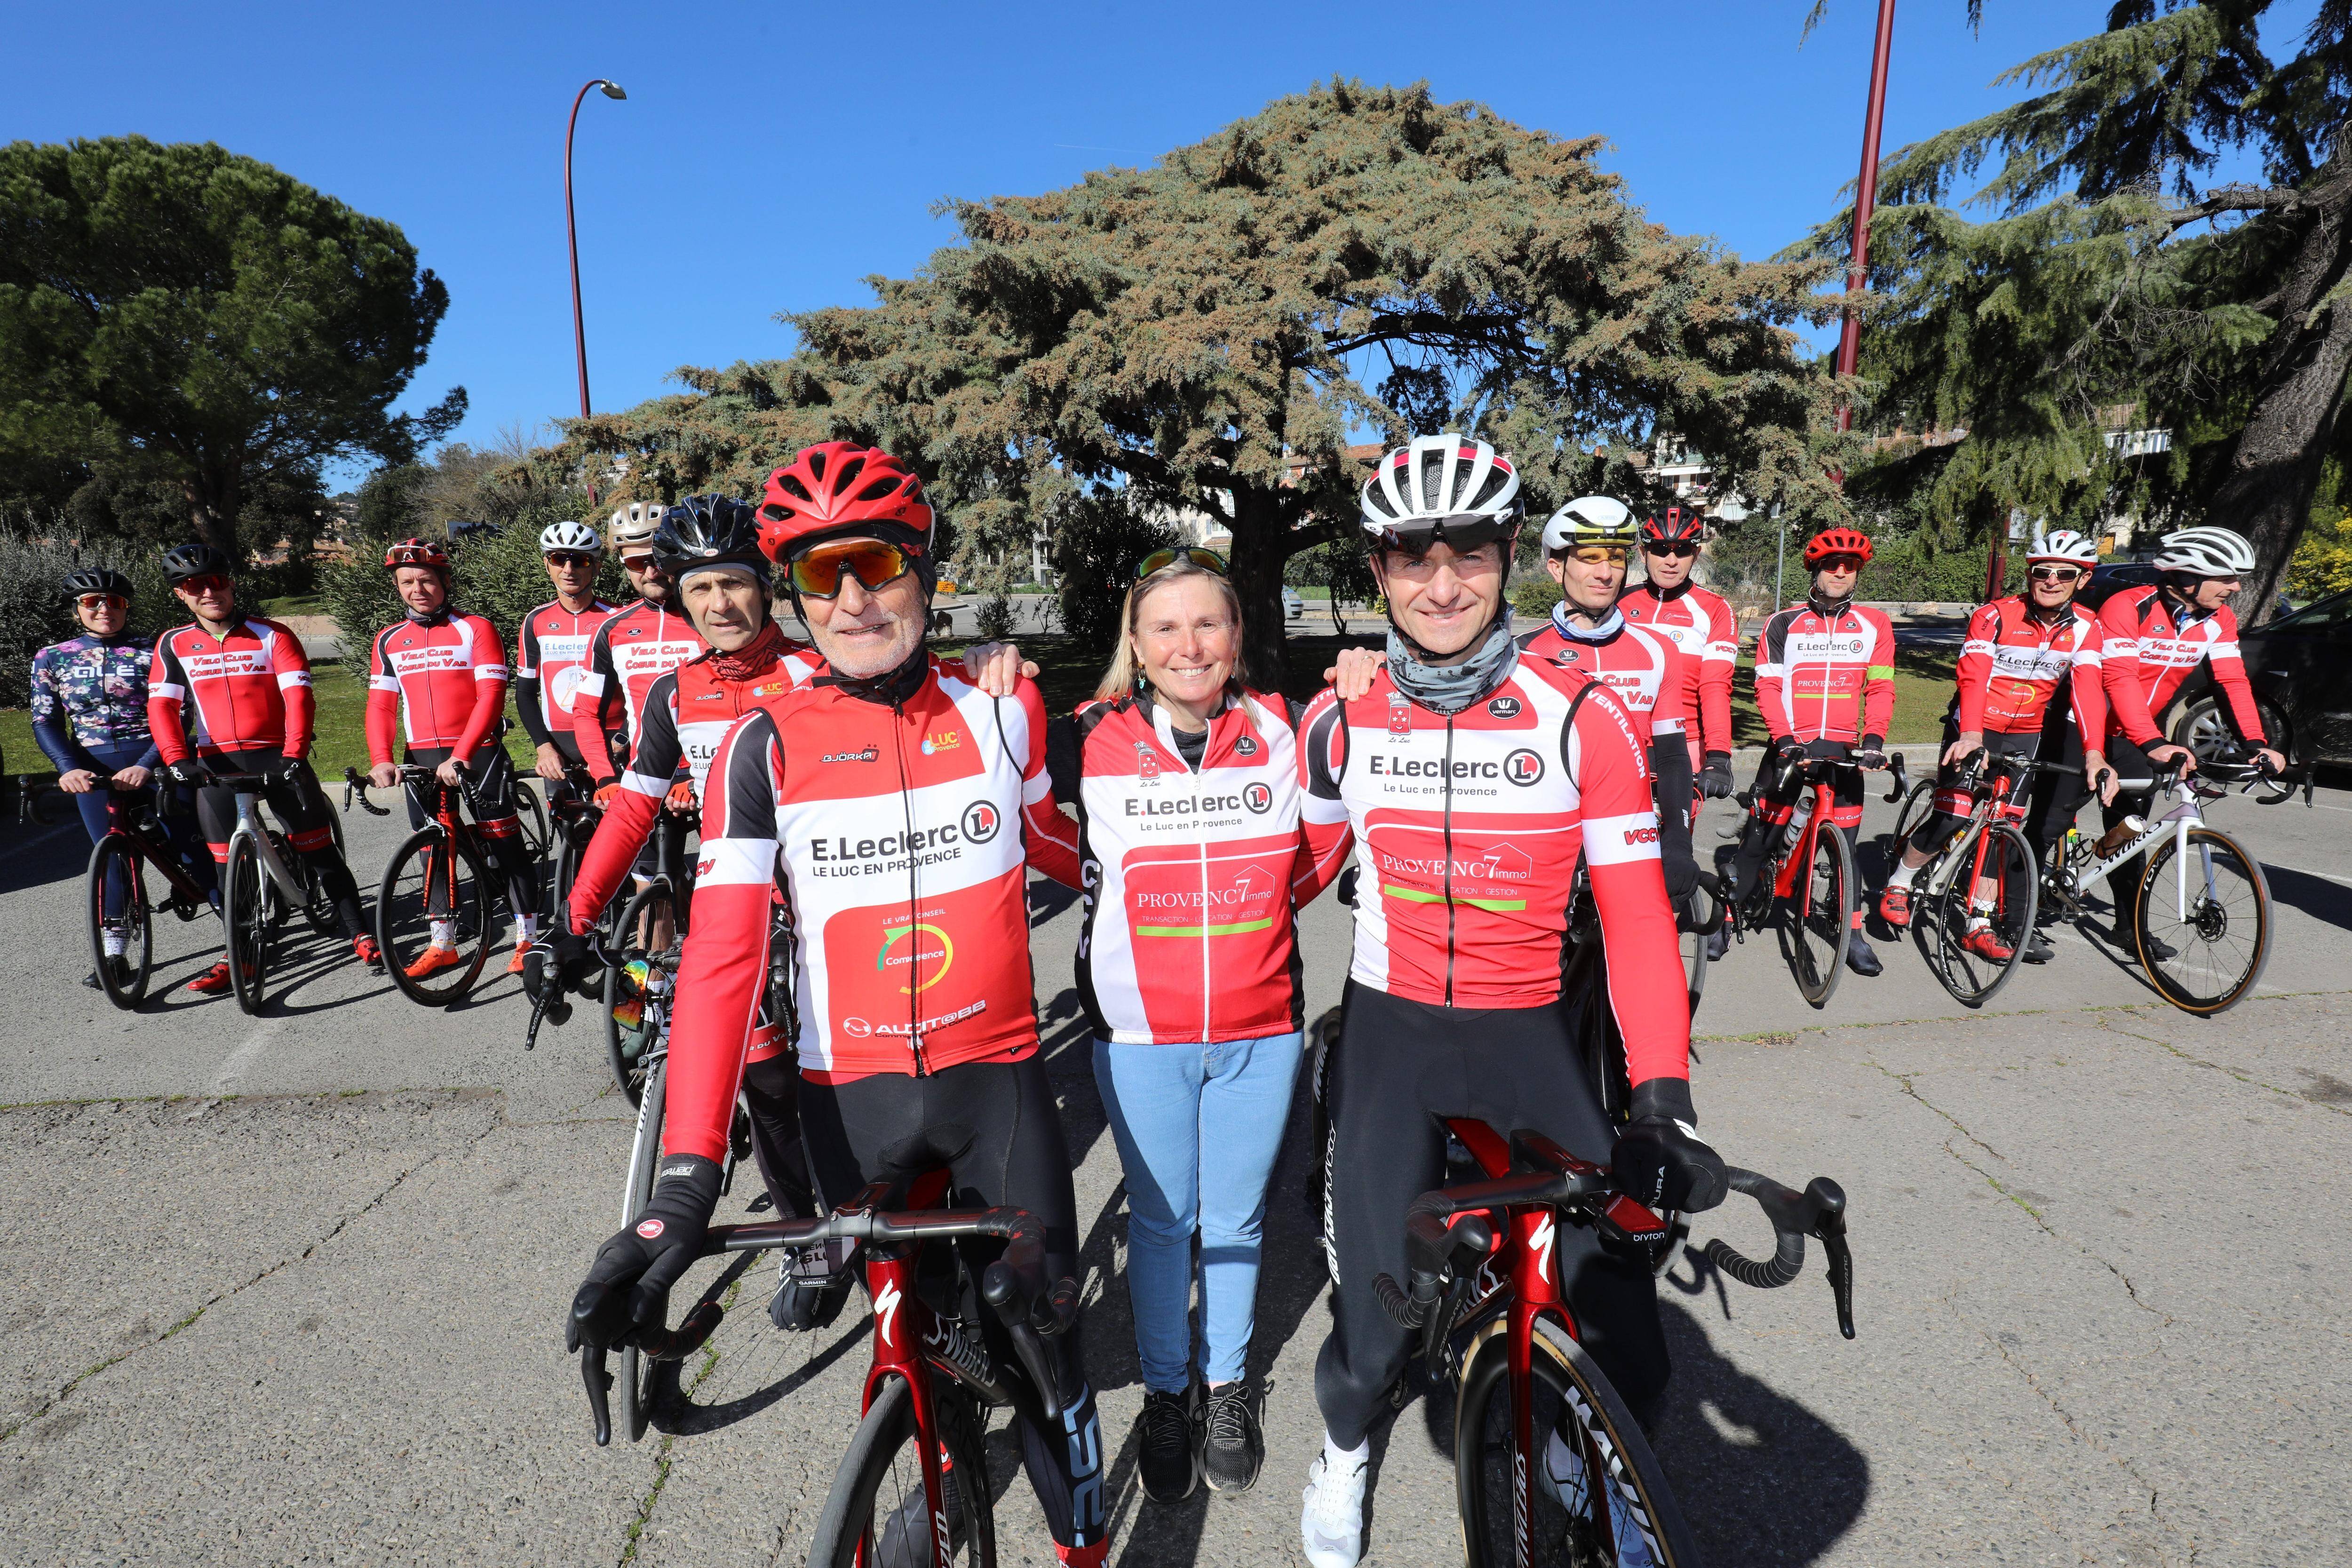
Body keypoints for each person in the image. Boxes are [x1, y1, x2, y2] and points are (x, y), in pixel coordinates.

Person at [565, 442, 1109, 1568]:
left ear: (924, 568)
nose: (855, 599)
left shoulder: (1005, 713)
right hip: (844, 1098)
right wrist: (681, 1184)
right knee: (905, 1334)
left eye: (876, 565)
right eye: (821, 577)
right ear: (794, 595)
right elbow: (719, 960)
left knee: (1044, 1338)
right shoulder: (763, 748)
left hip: (994, 1085)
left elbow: (1068, 848)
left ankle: (1082, 1537)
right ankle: (919, 1429)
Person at [1292, 434, 1724, 1568]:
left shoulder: (1580, 716)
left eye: (1468, 554)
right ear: (1378, 570)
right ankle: (1345, 1448)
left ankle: (1597, 1457)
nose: (1442, 585)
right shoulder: (1341, 719)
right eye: (1410, 558)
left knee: (1620, 1313)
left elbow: (1635, 918)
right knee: (1377, 1322)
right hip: (1394, 1035)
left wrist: (1664, 1098)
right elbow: (1289, 870)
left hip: (1531, 1031)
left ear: (1504, 558)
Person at [1043, 547, 1308, 1502]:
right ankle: (1167, 1392)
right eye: (1166, 627)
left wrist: (1262, 918)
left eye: (1208, 623)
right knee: (1162, 1220)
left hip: (1262, 1025)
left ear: (1237, 637)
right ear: (1138, 646)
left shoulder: (1286, 728)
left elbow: (1320, 848)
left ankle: (1228, 1384)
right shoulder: (1090, 736)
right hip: (1138, 1034)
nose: (1189, 643)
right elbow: (1040, 833)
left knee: (1235, 1218)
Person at [147, 541, 376, 991]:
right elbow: (162, 708)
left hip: (277, 755)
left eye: (216, 581)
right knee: (224, 869)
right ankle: (240, 956)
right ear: (181, 594)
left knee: (319, 852)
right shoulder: (174, 644)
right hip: (215, 761)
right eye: (195, 585)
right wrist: (177, 760)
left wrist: (293, 754)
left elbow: (299, 697)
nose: (208, 592)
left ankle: (361, 934)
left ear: (231, 582)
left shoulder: (272, 634)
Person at [1876, 530, 2109, 964]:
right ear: (2031, 574)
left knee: (2003, 830)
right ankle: (1901, 880)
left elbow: (2089, 691)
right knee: (1954, 815)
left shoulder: (2088, 627)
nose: (2052, 580)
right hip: (1977, 724)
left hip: (2027, 731)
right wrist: (1972, 736)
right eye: (2043, 571)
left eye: (2065, 573)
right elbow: (1974, 674)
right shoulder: (1995, 614)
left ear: (2082, 579)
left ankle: (1979, 922)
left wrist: (2095, 751)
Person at [2085, 525, 2285, 953]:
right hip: (2081, 726)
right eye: (2227, 577)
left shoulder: (2220, 620)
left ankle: (2129, 929)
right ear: (2188, 577)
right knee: (2047, 821)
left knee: (2130, 832)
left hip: (2136, 734)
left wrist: (2255, 742)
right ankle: (2010, 914)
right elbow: (2117, 677)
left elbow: (2231, 680)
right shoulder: (2128, 605)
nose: (2235, 587)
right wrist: (2151, 740)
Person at [32, 567, 215, 987]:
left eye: (114, 601)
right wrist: (68, 766)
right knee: (111, 856)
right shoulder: (52, 656)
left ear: (126, 606)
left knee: (188, 844)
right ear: (76, 609)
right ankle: (114, 953)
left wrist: (151, 762)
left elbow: (182, 711)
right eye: (91, 602)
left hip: (154, 756)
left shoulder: (155, 649)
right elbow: (45, 720)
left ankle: (237, 925)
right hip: (91, 767)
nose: (104, 609)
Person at [364, 538, 539, 976]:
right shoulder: (388, 639)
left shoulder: (474, 627)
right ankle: (442, 941)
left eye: (426, 579)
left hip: (477, 751)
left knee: (504, 843)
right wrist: (382, 758)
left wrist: (461, 754)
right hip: (422, 753)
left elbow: (491, 696)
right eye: (407, 582)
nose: (417, 588)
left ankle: (528, 935)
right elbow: (382, 705)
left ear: (444, 581)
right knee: (432, 851)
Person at [1517, 495, 1700, 897]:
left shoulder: (1657, 651)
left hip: (1629, 831)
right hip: (1549, 836)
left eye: (1616, 558)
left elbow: (1672, 756)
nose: (1605, 573)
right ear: (1556, 567)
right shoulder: (1522, 655)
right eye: (1590, 557)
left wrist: (1678, 841)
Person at [1739, 525, 1897, 978]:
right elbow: (1768, 686)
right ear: (1815, 568)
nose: (1841, 572)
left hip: (1844, 748)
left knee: (1845, 845)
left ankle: (1851, 931)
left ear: (1858, 574)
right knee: (1760, 836)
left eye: (1849, 567)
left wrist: (1873, 741)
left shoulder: (1875, 625)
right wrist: (1785, 739)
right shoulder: (1783, 623)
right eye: (1832, 565)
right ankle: (1727, 918)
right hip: (1790, 744)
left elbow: (1882, 686)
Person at [570, 501, 709, 899]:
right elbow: (585, 711)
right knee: (650, 894)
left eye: (657, 558)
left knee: (741, 888)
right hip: (646, 775)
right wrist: (607, 778)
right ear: (621, 565)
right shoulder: (612, 629)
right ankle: (653, 961)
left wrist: (708, 774)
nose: (650, 571)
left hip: (710, 774)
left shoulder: (713, 616)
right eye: (636, 563)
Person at [1621, 506, 1739, 801]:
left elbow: (1715, 687)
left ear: (1695, 555)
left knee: (1676, 844)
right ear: (1643, 553)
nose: (1671, 561)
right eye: (1661, 550)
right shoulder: (1618, 603)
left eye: (1682, 550)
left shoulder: (1715, 609)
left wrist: (1719, 755)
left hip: (1683, 743)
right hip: (1619, 740)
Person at [512, 520, 617, 785]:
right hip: (558, 746)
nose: (569, 570)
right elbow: (525, 693)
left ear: (596, 567)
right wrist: (543, 747)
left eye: (580, 561)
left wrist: (624, 738)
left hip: (612, 740)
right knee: (567, 825)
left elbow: (640, 690)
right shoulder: (535, 621)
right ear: (548, 565)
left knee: (623, 824)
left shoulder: (617, 619)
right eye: (559, 560)